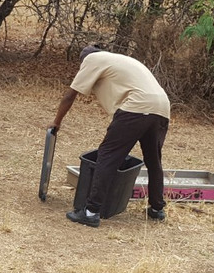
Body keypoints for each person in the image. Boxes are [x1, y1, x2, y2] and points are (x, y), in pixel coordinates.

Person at [50, 46, 171, 227]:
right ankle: (156, 209)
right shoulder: (119, 60)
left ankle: (90, 212)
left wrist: (56, 122)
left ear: (84, 59)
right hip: (162, 107)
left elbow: (70, 95)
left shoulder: (92, 60)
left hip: (136, 106)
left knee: (107, 155)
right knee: (154, 160)